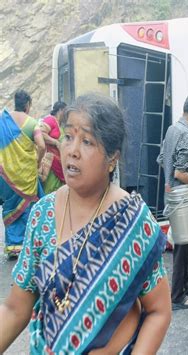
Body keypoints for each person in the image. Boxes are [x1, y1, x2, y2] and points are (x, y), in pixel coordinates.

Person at [0, 94, 171, 353]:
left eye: (87, 141)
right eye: (68, 137)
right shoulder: (43, 214)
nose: (72, 151)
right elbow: (15, 308)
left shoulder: (133, 222)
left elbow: (158, 311)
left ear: (112, 158)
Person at [158, 95, 188, 310]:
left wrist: (168, 181)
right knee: (182, 245)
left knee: (184, 244)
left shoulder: (171, 129)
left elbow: (161, 159)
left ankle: (185, 285)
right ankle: (176, 296)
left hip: (172, 194)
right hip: (183, 196)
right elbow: (180, 171)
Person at [0, 89, 45, 258]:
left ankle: (12, 246)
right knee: (27, 206)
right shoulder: (32, 123)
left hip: (5, 175)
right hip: (26, 175)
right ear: (27, 105)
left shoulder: (2, 120)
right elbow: (41, 146)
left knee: (10, 206)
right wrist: (37, 162)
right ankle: (26, 244)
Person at [40, 101, 67, 194]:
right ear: (60, 110)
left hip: (59, 163)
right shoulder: (50, 120)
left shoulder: (60, 125)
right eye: (65, 111)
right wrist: (55, 142)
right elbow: (41, 133)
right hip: (51, 163)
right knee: (50, 189)